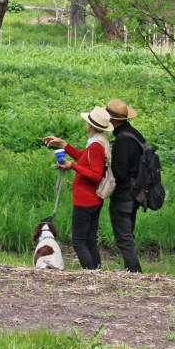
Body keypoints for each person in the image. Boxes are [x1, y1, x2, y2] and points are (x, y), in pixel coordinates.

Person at [42, 106, 112, 270]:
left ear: (91, 126)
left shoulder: (95, 146)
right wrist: (63, 144)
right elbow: (83, 158)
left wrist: (71, 165)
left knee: (79, 242)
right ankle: (97, 271)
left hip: (86, 201)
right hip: (92, 199)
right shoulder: (98, 142)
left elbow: (95, 174)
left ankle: (90, 272)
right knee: (89, 240)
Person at [105, 98, 146, 273]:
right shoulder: (135, 134)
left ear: (112, 120)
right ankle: (134, 272)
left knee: (124, 239)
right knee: (128, 235)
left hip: (124, 196)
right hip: (136, 193)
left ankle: (135, 273)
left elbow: (120, 173)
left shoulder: (123, 140)